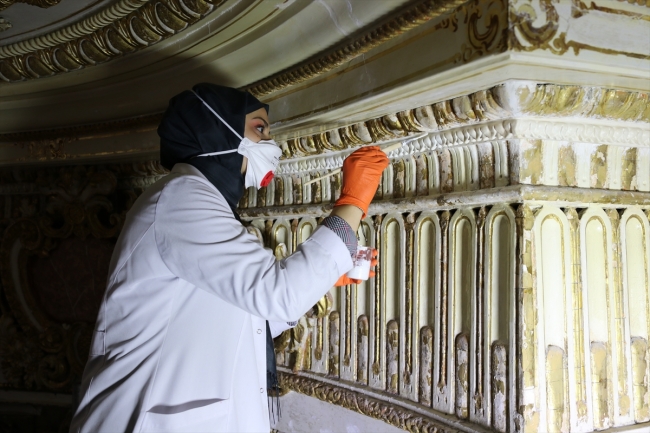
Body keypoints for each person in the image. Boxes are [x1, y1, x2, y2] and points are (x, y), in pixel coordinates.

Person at [70, 83, 389, 433]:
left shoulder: (200, 203)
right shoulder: (181, 198)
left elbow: (245, 317)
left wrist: (323, 278)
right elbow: (278, 295)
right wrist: (353, 203)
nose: (271, 144)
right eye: (259, 129)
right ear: (216, 129)